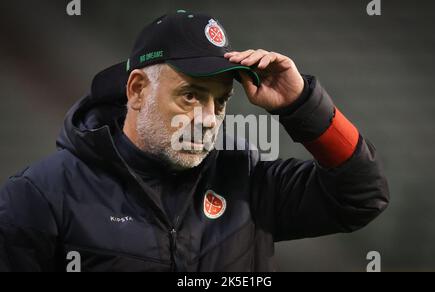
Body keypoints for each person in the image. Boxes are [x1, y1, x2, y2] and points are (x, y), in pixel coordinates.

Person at [0, 11, 389, 272]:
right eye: (190, 95)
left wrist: (302, 105)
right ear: (137, 90)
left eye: (219, 101)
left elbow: (361, 196)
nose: (206, 119)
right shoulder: (39, 197)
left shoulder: (247, 181)